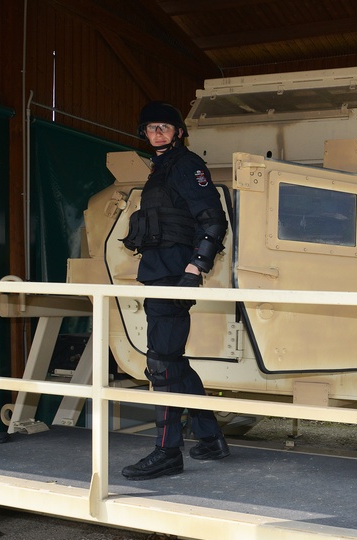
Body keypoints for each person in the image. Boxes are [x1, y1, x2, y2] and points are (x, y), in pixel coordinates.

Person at [120, 101, 231, 480]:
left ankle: (167, 452)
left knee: (162, 364)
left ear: (179, 131)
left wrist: (195, 266)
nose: (157, 133)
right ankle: (210, 438)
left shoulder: (185, 165)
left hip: (172, 276)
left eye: (164, 127)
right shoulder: (161, 169)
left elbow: (213, 219)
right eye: (151, 128)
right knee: (172, 360)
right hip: (158, 273)